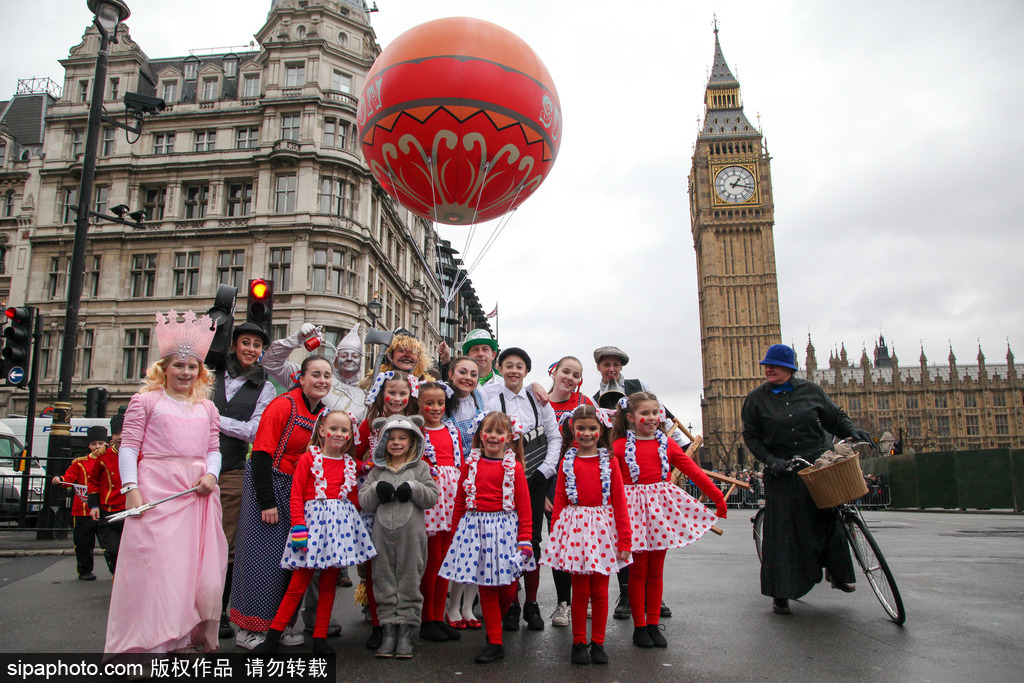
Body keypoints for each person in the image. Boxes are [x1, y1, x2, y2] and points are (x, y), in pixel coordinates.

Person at [105, 310, 227, 653]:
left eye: (192, 368)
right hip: (155, 491)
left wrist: (210, 474)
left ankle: (181, 639)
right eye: (179, 366)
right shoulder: (144, 401)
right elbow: (128, 449)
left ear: (200, 372)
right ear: (164, 369)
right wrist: (131, 490)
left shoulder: (207, 409)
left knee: (190, 572)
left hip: (197, 495)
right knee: (152, 571)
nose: (186, 372)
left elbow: (212, 450)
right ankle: (143, 647)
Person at [741, 344, 871, 615]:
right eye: (766, 364)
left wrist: (852, 430)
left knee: (829, 518)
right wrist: (771, 460)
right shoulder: (756, 399)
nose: (768, 368)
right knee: (782, 533)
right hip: (782, 468)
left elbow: (834, 418)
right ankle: (781, 593)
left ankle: (838, 573)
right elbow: (751, 436)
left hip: (817, 464)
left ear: (790, 368)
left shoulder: (811, 391)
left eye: (774, 365)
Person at [230, 355, 332, 650]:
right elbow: (261, 454)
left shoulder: (323, 414)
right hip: (270, 486)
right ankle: (249, 627)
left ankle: (280, 624)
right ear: (301, 378)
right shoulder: (283, 405)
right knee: (263, 559)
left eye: (326, 375)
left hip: (298, 491)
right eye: (315, 374)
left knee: (290, 561)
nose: (321, 380)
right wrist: (266, 502)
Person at [611, 392, 726, 649]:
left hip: (660, 511)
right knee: (638, 571)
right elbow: (606, 481)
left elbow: (692, 469)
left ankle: (653, 623)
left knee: (657, 571)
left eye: (655, 413)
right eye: (645, 414)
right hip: (632, 512)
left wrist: (717, 496)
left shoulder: (666, 444)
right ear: (630, 418)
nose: (651, 418)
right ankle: (640, 626)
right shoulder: (618, 447)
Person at [255, 410, 375, 655]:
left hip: (338, 531)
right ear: (322, 431)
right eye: (335, 429)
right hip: (312, 528)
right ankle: (272, 638)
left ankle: (320, 636)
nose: (339, 434)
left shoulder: (350, 464)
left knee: (329, 583)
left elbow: (353, 498)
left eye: (345, 431)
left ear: (351, 436)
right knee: (298, 584)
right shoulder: (309, 460)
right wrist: (298, 526)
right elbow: (296, 494)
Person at [592, 345, 685, 620]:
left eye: (616, 365)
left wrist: (673, 446)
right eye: (607, 365)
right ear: (599, 367)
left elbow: (662, 415)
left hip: (648, 471)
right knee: (626, 540)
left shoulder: (637, 386)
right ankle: (626, 594)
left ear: (622, 368)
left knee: (652, 541)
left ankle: (653, 595)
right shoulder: (595, 397)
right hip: (620, 472)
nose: (612, 369)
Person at [439, 412, 534, 664]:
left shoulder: (515, 468)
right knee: (488, 589)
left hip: (505, 533)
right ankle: (495, 640)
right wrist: (455, 533)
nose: (493, 436)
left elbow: (524, 508)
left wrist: (525, 539)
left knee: (508, 591)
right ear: (480, 435)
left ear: (509, 438)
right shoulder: (470, 464)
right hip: (475, 531)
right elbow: (460, 501)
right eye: (488, 431)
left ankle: (496, 626)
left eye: (499, 432)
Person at [541, 405, 631, 665]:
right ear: (573, 429)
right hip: (575, 530)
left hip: (602, 529)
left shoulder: (610, 461)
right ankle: (578, 641)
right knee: (580, 592)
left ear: (600, 430)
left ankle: (599, 642)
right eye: (581, 428)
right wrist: (557, 534)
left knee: (600, 592)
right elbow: (558, 499)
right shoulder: (567, 460)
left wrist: (625, 540)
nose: (587, 433)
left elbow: (620, 502)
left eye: (592, 428)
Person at [481, 347, 561, 632]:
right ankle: (511, 605)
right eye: (509, 365)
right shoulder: (489, 396)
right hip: (503, 477)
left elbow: (554, 436)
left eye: (520, 366)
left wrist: (545, 471)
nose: (514, 371)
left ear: (527, 371)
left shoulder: (538, 398)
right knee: (506, 540)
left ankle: (532, 603)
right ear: (500, 368)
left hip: (537, 476)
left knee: (532, 541)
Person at [212, 322, 276, 639]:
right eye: (245, 342)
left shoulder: (264, 387)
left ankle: (219, 612)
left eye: (256, 345)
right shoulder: (209, 375)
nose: (251, 349)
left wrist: (212, 419)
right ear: (234, 344)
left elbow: (254, 430)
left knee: (226, 543)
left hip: (232, 469)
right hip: (192, 468)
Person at [358, 414, 439, 659]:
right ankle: (388, 630)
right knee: (383, 579)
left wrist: (414, 487)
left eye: (402, 438)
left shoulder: (421, 468)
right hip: (381, 536)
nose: (396, 443)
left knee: (408, 580)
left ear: (413, 441)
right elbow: (364, 500)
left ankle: (405, 631)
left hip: (411, 538)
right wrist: (375, 489)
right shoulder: (377, 471)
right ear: (383, 442)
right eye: (390, 438)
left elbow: (432, 496)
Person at [356, 369, 419, 650]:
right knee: (375, 563)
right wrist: (367, 469)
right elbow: (353, 453)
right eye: (391, 393)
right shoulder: (368, 423)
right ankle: (379, 624)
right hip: (373, 492)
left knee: (405, 565)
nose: (396, 398)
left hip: (405, 500)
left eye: (402, 393)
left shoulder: (414, 425)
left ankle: (404, 625)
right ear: (382, 393)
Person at [543, 356, 596, 627]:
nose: (570, 378)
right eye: (566, 371)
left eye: (576, 374)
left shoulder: (586, 404)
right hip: (549, 481)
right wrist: (541, 491)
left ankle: (583, 599)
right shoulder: (540, 402)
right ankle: (563, 602)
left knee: (584, 542)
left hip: (580, 480)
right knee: (559, 543)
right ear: (554, 373)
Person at [416, 381, 465, 643]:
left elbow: (461, 463)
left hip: (452, 498)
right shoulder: (417, 431)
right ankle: (427, 619)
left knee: (446, 560)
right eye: (429, 403)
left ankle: (439, 615)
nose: (436, 408)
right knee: (432, 560)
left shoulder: (452, 430)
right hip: (432, 498)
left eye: (440, 403)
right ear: (420, 404)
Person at [443, 356, 484, 631]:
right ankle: (449, 604)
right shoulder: (441, 396)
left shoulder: (481, 398)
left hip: (476, 476)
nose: (468, 378)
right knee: (455, 545)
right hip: (448, 479)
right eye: (462, 372)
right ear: (451, 373)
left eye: (473, 373)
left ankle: (468, 605)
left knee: (476, 545)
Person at [264, 324, 368, 421]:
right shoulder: (310, 378)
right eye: (344, 355)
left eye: (355, 356)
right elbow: (270, 362)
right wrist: (297, 339)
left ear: (361, 362)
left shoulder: (364, 396)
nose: (349, 359)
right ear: (335, 361)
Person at [54, 426, 107, 580]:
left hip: (105, 507)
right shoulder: (80, 463)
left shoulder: (111, 460)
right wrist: (61, 480)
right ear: (89, 446)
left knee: (110, 543)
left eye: (100, 443)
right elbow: (69, 477)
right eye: (94, 443)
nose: (97, 446)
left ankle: (116, 571)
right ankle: (85, 571)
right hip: (83, 509)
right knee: (83, 542)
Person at [86, 415, 125, 575]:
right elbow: (94, 481)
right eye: (117, 433)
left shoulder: (141, 455)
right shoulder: (103, 457)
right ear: (112, 437)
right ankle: (117, 576)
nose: (121, 436)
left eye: (124, 432)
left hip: (132, 510)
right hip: (109, 511)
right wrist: (94, 505)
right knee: (113, 550)